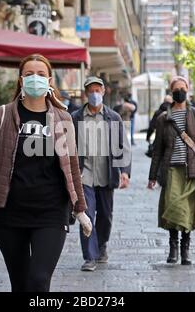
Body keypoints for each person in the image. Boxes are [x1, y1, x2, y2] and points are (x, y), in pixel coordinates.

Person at [0, 54, 92, 292]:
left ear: (49, 80)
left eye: (40, 74)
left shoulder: (63, 118)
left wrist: (80, 209)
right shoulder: (2, 115)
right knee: (20, 284)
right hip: (9, 213)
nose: (35, 79)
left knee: (39, 280)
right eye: (29, 74)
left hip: (51, 211)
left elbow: (72, 167)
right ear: (20, 80)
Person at [147, 76, 195, 265]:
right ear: (171, 92)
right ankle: (173, 246)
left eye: (182, 88)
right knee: (173, 208)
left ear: (188, 89)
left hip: (191, 170)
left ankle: (185, 248)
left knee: (186, 210)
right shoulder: (163, 119)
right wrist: (152, 176)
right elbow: (158, 150)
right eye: (176, 89)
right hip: (171, 171)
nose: (180, 91)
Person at [71, 76, 132, 272]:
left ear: (104, 92)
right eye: (91, 91)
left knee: (105, 216)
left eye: (98, 90)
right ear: (85, 94)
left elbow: (123, 146)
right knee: (86, 214)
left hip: (107, 174)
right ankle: (90, 256)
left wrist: (125, 172)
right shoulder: (76, 117)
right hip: (84, 174)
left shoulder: (113, 117)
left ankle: (102, 245)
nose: (94, 94)